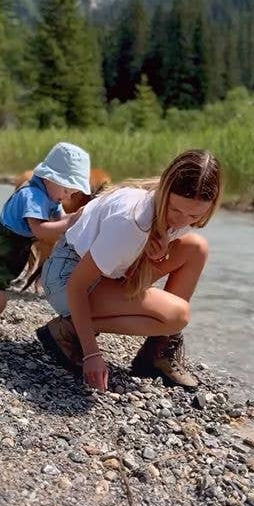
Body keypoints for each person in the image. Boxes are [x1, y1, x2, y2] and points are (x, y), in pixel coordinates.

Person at [37, 149, 222, 391]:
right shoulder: (131, 221)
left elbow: (121, 262)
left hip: (99, 272)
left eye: (194, 214)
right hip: (65, 277)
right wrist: (92, 353)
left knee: (195, 247)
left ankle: (156, 353)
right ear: (165, 191)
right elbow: (77, 285)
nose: (182, 220)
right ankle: (65, 331)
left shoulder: (172, 212)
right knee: (177, 316)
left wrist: (153, 254)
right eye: (175, 210)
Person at [0, 142, 91, 360]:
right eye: (66, 190)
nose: (66, 197)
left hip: (5, 255)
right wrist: (70, 222)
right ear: (50, 178)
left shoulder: (50, 197)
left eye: (72, 193)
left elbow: (58, 220)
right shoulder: (33, 195)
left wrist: (77, 217)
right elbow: (40, 230)